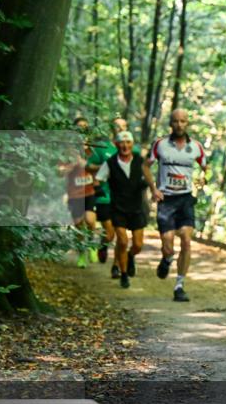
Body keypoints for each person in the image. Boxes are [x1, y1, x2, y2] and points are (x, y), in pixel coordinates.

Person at [149, 109, 207, 302]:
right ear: (171, 124)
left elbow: (205, 168)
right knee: (168, 245)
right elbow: (145, 166)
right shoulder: (160, 145)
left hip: (185, 199)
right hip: (166, 199)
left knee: (186, 240)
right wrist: (153, 189)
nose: (179, 125)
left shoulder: (196, 147)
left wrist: (203, 177)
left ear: (187, 124)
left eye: (183, 121)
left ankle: (179, 285)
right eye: (176, 121)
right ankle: (166, 259)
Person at [93, 131, 159, 289]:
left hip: (136, 208)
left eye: (128, 142)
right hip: (118, 208)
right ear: (116, 145)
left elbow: (148, 175)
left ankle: (130, 257)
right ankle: (123, 274)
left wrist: (153, 189)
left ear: (132, 144)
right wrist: (98, 191)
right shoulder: (110, 163)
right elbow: (97, 180)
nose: (125, 146)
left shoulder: (139, 161)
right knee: (122, 241)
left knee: (137, 245)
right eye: (121, 143)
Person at [87, 117, 140, 277]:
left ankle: (117, 265)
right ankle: (103, 244)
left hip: (124, 200)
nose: (120, 129)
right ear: (112, 129)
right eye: (117, 126)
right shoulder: (102, 148)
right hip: (105, 197)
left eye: (124, 126)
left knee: (121, 236)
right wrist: (106, 166)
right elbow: (88, 166)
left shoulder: (133, 150)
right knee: (110, 235)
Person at [61, 117, 98, 268]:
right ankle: (82, 252)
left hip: (89, 191)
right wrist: (72, 165)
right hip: (74, 194)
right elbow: (60, 172)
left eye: (84, 127)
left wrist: (86, 164)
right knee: (78, 225)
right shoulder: (67, 151)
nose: (81, 130)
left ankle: (92, 246)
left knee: (89, 221)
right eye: (78, 128)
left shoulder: (92, 149)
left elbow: (100, 166)